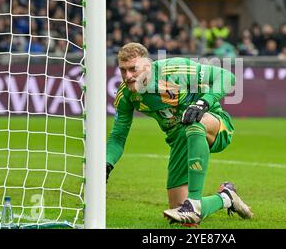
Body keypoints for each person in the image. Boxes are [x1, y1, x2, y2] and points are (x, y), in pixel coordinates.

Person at [106, 43, 253, 227]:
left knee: (194, 124)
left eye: (133, 69)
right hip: (179, 143)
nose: (127, 76)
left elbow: (227, 76)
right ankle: (226, 198)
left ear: (147, 66)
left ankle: (193, 203)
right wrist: (107, 163)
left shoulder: (174, 69)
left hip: (214, 125)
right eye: (123, 70)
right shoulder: (126, 95)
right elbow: (118, 137)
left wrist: (202, 103)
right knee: (182, 216)